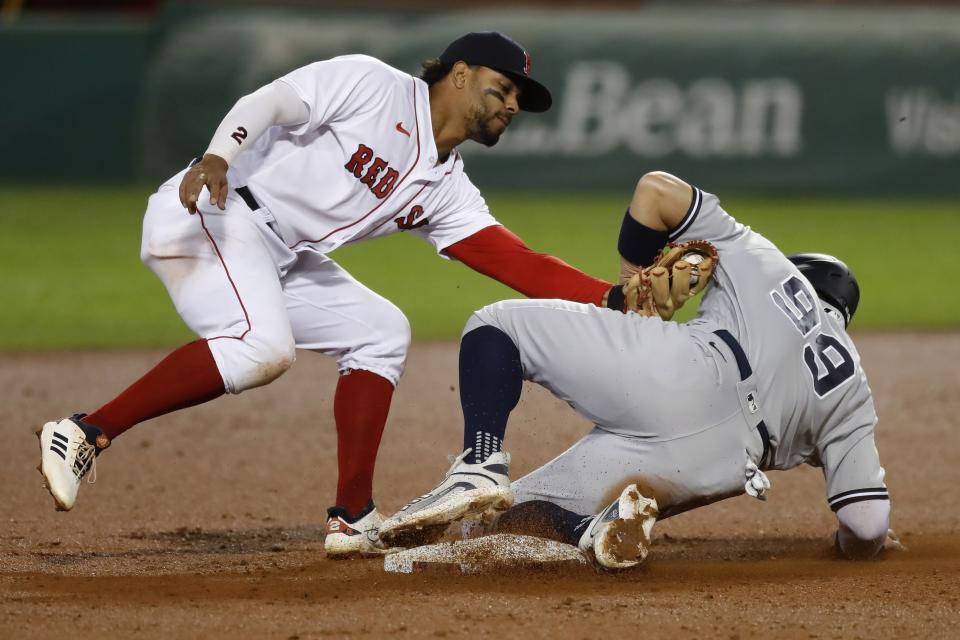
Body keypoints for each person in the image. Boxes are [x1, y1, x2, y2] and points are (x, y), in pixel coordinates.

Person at [35, 32, 623, 558]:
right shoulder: (373, 85)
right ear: (460, 73)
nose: (513, 105)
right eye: (504, 88)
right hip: (215, 209)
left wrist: (615, 297)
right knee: (262, 349)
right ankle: (85, 431)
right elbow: (267, 102)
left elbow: (516, 261)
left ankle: (353, 516)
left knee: (381, 332)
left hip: (276, 252)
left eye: (520, 98)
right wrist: (219, 154)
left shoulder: (448, 185)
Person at [378, 171, 893, 568]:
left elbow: (655, 190)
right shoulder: (853, 391)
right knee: (522, 519)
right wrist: (854, 547)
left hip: (688, 374)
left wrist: (632, 285)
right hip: (720, 463)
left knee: (496, 327)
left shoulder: (768, 261)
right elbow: (866, 524)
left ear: (804, 277)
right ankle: (592, 530)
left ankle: (479, 465)